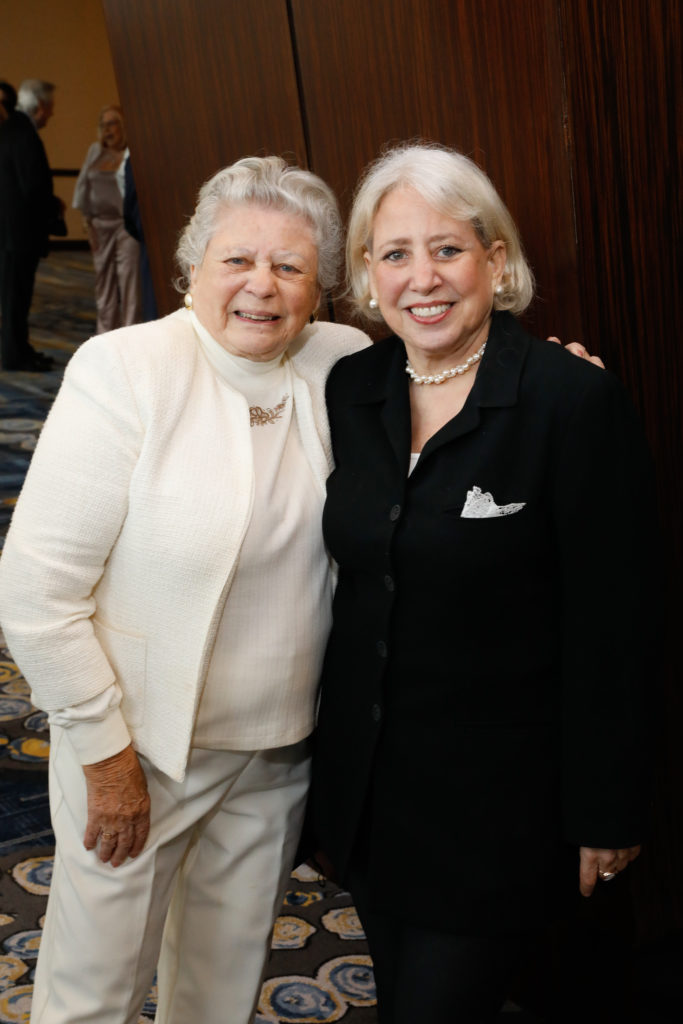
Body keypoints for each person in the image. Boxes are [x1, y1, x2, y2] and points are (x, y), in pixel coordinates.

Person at [0, 155, 369, 1024]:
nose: (261, 287)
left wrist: (547, 372)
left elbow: (447, 401)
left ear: (319, 289)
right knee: (94, 992)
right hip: (137, 751)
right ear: (190, 266)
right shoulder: (126, 370)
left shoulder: (342, 363)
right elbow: (36, 595)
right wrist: (107, 760)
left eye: (288, 266)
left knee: (222, 985)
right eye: (236, 260)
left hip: (278, 751)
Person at [308, 143, 654, 1023]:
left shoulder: (569, 401)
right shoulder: (351, 388)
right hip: (377, 807)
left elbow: (616, 626)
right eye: (393, 254)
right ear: (365, 274)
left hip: (503, 816)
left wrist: (607, 810)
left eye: (447, 249)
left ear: (495, 261)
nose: (421, 277)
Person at [0, 79, 62, 371]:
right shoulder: (23, 134)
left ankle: (19, 349)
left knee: (15, 297)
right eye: (50, 107)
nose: (51, 114)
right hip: (18, 235)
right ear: (40, 106)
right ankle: (15, 355)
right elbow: (32, 187)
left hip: (12, 233)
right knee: (16, 298)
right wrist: (54, 207)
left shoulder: (12, 129)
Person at [73, 105, 140, 333]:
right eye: (102, 125)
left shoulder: (131, 153)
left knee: (129, 284)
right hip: (99, 227)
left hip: (125, 228)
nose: (106, 130)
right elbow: (83, 187)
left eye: (111, 124)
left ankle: (130, 338)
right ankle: (104, 338)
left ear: (122, 126)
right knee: (104, 285)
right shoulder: (95, 151)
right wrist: (86, 222)